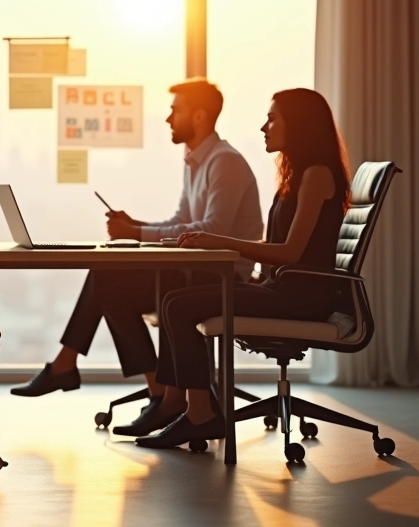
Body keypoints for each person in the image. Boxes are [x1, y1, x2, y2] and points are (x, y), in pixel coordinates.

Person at [10, 78, 264, 437]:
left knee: (119, 282)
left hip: (219, 276)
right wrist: (136, 226)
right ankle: (155, 390)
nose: (168, 119)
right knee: (107, 279)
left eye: (175, 110)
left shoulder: (225, 162)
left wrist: (136, 234)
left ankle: (81, 370)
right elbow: (181, 222)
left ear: (200, 116)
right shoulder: (196, 161)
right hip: (194, 270)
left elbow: (212, 228)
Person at [133, 88, 352, 447]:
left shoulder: (316, 175)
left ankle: (198, 414)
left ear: (298, 124)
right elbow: (281, 247)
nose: (264, 127)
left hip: (301, 297)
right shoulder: (297, 177)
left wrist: (221, 241)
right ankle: (193, 411)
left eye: (272, 118)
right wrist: (219, 244)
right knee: (176, 299)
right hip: (283, 288)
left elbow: (292, 253)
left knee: (178, 305)